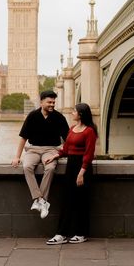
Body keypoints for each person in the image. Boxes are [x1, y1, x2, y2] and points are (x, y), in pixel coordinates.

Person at [44, 103, 97, 244]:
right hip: (71, 166)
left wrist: (81, 173)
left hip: (82, 168)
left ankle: (81, 233)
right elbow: (66, 149)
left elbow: (89, 154)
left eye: (74, 111)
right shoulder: (73, 129)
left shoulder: (89, 131)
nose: (72, 113)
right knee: (67, 200)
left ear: (81, 114)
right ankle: (61, 234)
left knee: (81, 201)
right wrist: (56, 155)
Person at [12, 90, 69, 219]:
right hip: (33, 149)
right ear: (41, 102)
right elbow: (23, 138)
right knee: (27, 167)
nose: (52, 105)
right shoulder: (32, 116)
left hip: (51, 150)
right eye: (49, 102)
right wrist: (17, 157)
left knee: (50, 168)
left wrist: (60, 152)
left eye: (54, 102)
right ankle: (40, 199)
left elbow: (68, 140)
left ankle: (40, 201)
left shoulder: (59, 118)